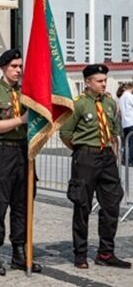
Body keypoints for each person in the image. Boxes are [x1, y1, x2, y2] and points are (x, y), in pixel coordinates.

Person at [60, 64, 131, 270]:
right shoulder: (79, 104)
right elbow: (65, 134)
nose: (104, 84)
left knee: (111, 204)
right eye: (99, 81)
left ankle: (106, 252)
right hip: (86, 157)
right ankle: (80, 253)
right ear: (88, 82)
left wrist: (113, 155)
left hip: (107, 156)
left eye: (105, 80)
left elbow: (114, 132)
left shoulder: (109, 102)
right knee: (82, 205)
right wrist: (82, 150)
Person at [0, 49, 41, 275]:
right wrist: (21, 120)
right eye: (14, 66)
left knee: (22, 205)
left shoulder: (26, 94)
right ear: (4, 68)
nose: (18, 70)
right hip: (1, 154)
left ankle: (19, 253)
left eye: (20, 66)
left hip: (23, 154)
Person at [117, 82, 133, 165]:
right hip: (131, 121)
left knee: (126, 142)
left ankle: (125, 159)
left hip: (125, 123)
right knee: (132, 142)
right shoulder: (129, 96)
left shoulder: (121, 97)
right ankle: (131, 160)